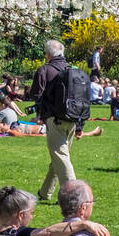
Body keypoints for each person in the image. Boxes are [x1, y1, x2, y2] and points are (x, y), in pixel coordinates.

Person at [27, 40, 84, 203]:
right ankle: (45, 192)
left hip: (55, 119)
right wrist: (80, 125)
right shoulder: (74, 71)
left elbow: (36, 95)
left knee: (60, 157)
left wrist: (39, 114)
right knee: (59, 157)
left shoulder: (45, 70)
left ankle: (73, 196)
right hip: (73, 119)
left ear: (48, 54)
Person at [0, 185, 110, 236]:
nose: (32, 216)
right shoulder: (17, 233)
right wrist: (83, 224)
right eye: (31, 212)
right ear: (20, 215)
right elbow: (47, 233)